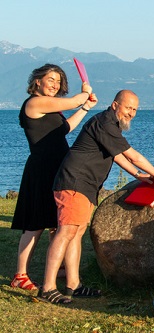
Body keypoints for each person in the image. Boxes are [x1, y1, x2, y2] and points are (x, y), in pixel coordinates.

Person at [36, 90, 154, 304]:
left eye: (135, 109)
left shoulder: (111, 126)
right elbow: (132, 155)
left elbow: (117, 155)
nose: (132, 113)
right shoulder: (105, 122)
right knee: (66, 231)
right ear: (115, 105)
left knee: (76, 233)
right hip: (74, 182)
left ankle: (73, 284)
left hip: (87, 185)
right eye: (128, 108)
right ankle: (48, 287)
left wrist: (138, 175)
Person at [10, 64, 96, 291]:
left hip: (58, 168)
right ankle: (20, 275)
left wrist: (85, 107)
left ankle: (57, 268)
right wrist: (84, 93)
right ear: (37, 81)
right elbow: (72, 101)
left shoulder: (51, 109)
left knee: (56, 223)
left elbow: (64, 129)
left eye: (58, 81)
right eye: (51, 79)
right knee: (34, 225)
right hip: (41, 169)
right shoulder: (35, 103)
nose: (55, 85)